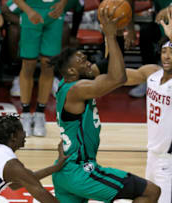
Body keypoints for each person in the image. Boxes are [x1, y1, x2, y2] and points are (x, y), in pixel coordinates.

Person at [50, 7, 161, 203]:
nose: (88, 63)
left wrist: (116, 32)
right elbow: (117, 77)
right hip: (81, 171)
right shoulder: (78, 88)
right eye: (83, 61)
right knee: (150, 192)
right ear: (72, 72)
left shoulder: (70, 83)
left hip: (65, 171)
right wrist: (109, 36)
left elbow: (108, 63)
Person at [124, 8, 172, 203]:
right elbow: (118, 77)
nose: (166, 56)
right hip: (153, 157)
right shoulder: (152, 74)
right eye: (164, 51)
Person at [13, 0, 67, 137]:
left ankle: (39, 114)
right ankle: (25, 113)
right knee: (28, 65)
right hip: (32, 9)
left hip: (54, 11)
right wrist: (28, 10)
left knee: (48, 65)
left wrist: (63, 3)